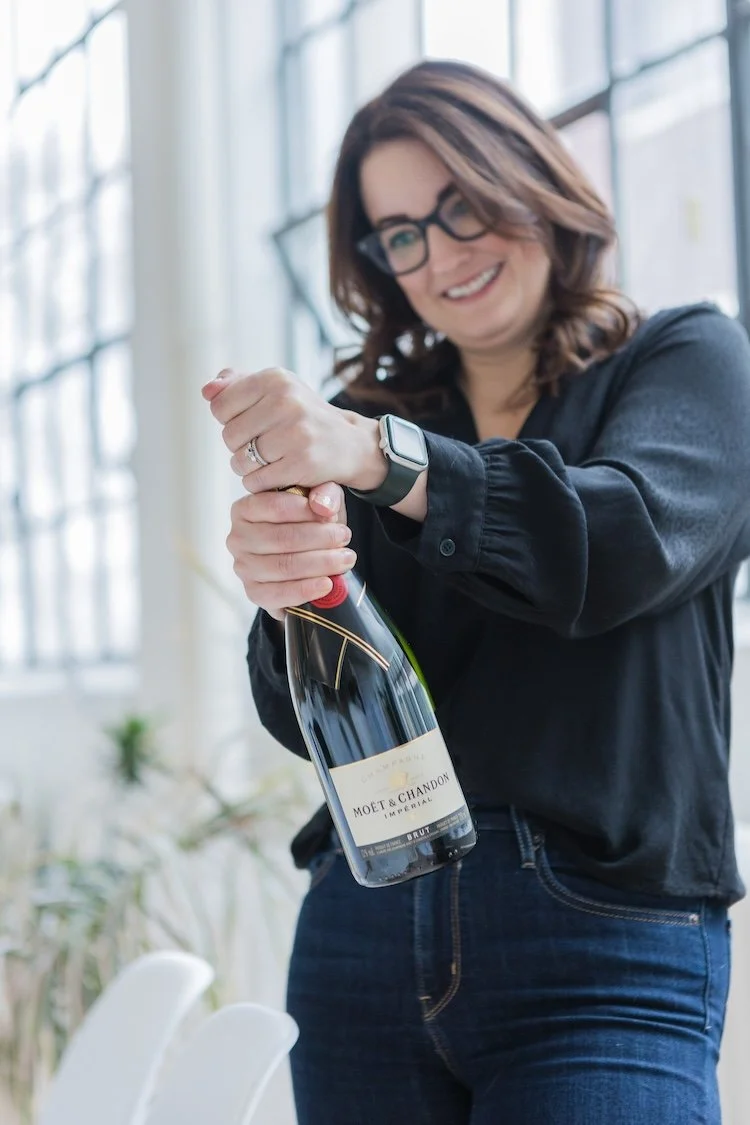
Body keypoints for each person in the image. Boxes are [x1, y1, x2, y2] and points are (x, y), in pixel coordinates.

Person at [202, 59, 750, 1125]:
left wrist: (382, 457)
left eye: (462, 205)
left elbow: (617, 543)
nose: (443, 254)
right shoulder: (369, 411)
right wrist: (285, 592)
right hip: (362, 938)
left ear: (531, 178)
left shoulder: (686, 359)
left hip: (603, 950)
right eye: (402, 233)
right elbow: (303, 710)